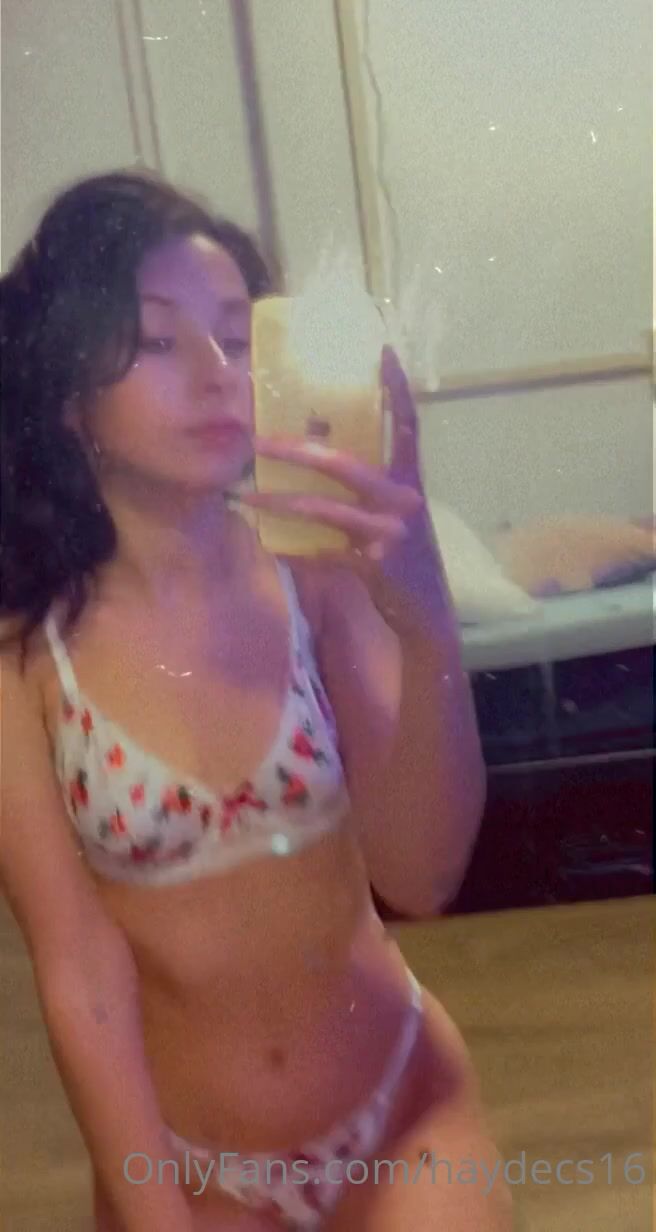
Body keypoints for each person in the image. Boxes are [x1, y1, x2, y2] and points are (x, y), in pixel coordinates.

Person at [0, 171, 510, 1231]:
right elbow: (81, 973)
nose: (217, 375)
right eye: (158, 339)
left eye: (237, 336)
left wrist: (424, 624)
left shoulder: (313, 575)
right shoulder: (22, 655)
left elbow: (423, 873)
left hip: (406, 1111)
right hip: (193, 1170)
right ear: (66, 392)